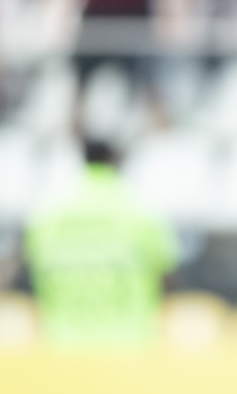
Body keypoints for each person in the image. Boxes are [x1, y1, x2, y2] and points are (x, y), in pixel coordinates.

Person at [24, 139, 179, 347]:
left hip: (63, 346)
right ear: (114, 160)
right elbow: (167, 274)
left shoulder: (50, 211)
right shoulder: (140, 209)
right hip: (130, 346)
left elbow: (31, 265)